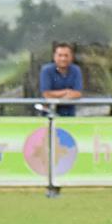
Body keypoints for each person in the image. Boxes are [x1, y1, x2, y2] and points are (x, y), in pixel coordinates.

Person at [38, 41, 83, 198]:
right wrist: (65, 92)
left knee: (66, 152)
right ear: (54, 56)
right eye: (60, 55)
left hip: (68, 118)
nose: (63, 58)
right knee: (49, 151)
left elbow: (77, 93)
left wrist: (59, 94)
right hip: (49, 117)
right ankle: (50, 186)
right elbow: (46, 94)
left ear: (71, 57)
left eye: (66, 55)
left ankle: (59, 184)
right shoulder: (46, 71)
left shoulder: (76, 71)